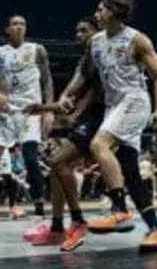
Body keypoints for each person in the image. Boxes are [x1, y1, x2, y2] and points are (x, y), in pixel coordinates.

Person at [66, 0, 157, 252]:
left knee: (99, 144)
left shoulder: (137, 39)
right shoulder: (96, 42)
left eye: (101, 9)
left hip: (135, 101)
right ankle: (156, 230)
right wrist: (69, 96)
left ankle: (120, 209)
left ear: (114, 13)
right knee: (131, 172)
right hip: (115, 106)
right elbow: (85, 76)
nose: (96, 13)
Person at [0, 15, 54, 238]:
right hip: (5, 111)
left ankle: (39, 216)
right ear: (7, 29)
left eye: (23, 24)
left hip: (30, 110)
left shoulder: (37, 49)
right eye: (15, 24)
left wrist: (48, 110)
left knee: (29, 157)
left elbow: (47, 80)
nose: (19, 26)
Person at [27, 16, 103, 252]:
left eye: (84, 31)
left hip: (109, 116)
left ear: (97, 32)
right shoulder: (84, 60)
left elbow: (94, 91)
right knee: (56, 167)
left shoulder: (103, 54)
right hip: (93, 118)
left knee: (60, 162)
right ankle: (59, 226)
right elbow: (74, 87)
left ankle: (77, 221)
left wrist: (74, 113)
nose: (78, 35)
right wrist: (53, 105)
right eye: (77, 31)